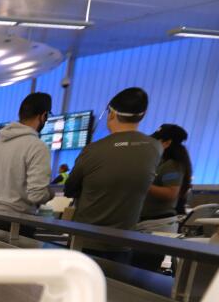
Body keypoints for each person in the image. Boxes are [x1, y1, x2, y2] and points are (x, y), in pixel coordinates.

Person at [63, 87, 160, 262]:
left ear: (111, 114)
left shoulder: (94, 149)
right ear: (142, 115)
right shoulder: (155, 148)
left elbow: (70, 189)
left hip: (85, 241)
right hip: (123, 242)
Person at [0, 92, 53, 230]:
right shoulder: (37, 146)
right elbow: (37, 195)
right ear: (43, 116)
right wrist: (50, 194)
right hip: (18, 224)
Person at [132, 123, 193, 270]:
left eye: (157, 141)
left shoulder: (172, 165)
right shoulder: (161, 162)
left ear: (167, 142)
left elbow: (171, 193)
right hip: (148, 224)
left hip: (156, 225)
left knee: (142, 269)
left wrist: (142, 184)